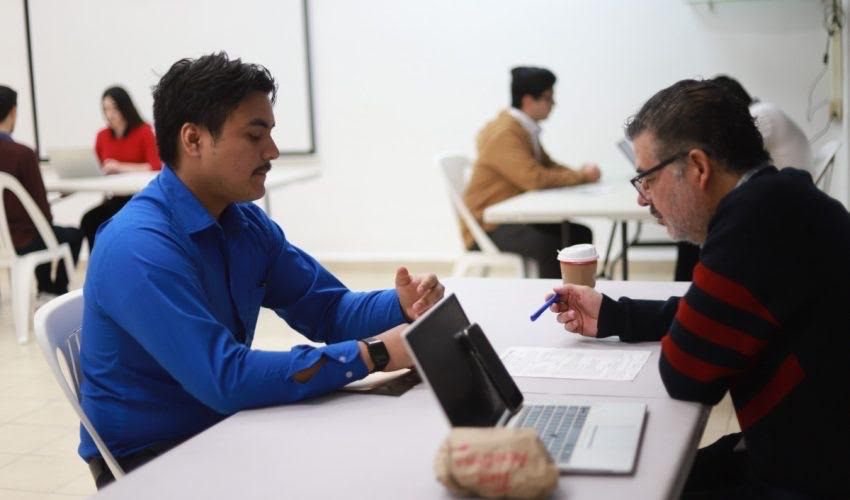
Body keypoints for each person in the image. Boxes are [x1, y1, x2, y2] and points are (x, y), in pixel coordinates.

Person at [79, 53, 445, 489]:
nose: (272, 151)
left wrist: (400, 305)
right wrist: (375, 354)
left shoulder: (242, 223)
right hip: (153, 459)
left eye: (270, 134)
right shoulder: (138, 247)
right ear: (193, 139)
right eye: (255, 136)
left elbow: (327, 309)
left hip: (224, 425)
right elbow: (226, 378)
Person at [549, 79, 850, 498]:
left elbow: (686, 374)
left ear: (697, 168)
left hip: (808, 478)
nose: (642, 199)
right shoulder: (783, 198)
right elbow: (724, 314)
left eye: (646, 178)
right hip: (809, 445)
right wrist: (617, 315)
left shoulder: (751, 225)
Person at [463, 66, 601, 279]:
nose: (553, 104)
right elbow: (534, 178)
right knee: (551, 245)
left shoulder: (521, 128)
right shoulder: (505, 132)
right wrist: (582, 176)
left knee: (579, 234)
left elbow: (548, 166)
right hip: (489, 226)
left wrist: (580, 174)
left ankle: (577, 289)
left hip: (510, 217)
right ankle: (556, 296)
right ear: (528, 101)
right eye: (548, 98)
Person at [674, 76, 814, 282]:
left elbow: (716, 156)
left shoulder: (761, 115)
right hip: (785, 198)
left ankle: (687, 286)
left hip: (780, 208)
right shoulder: (767, 111)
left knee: (695, 212)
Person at [0, 85, 82, 296]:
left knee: (41, 229)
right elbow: (42, 212)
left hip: (4, 240)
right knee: (70, 233)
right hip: (24, 239)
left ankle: (44, 288)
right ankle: (55, 290)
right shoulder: (22, 154)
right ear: (13, 112)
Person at [79, 86, 161, 250]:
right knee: (89, 220)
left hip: (138, 199)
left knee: (119, 224)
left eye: (114, 108)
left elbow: (155, 166)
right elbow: (98, 167)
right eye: (105, 109)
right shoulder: (102, 136)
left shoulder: (144, 132)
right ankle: (98, 263)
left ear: (125, 107)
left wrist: (120, 167)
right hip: (114, 199)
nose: (109, 114)